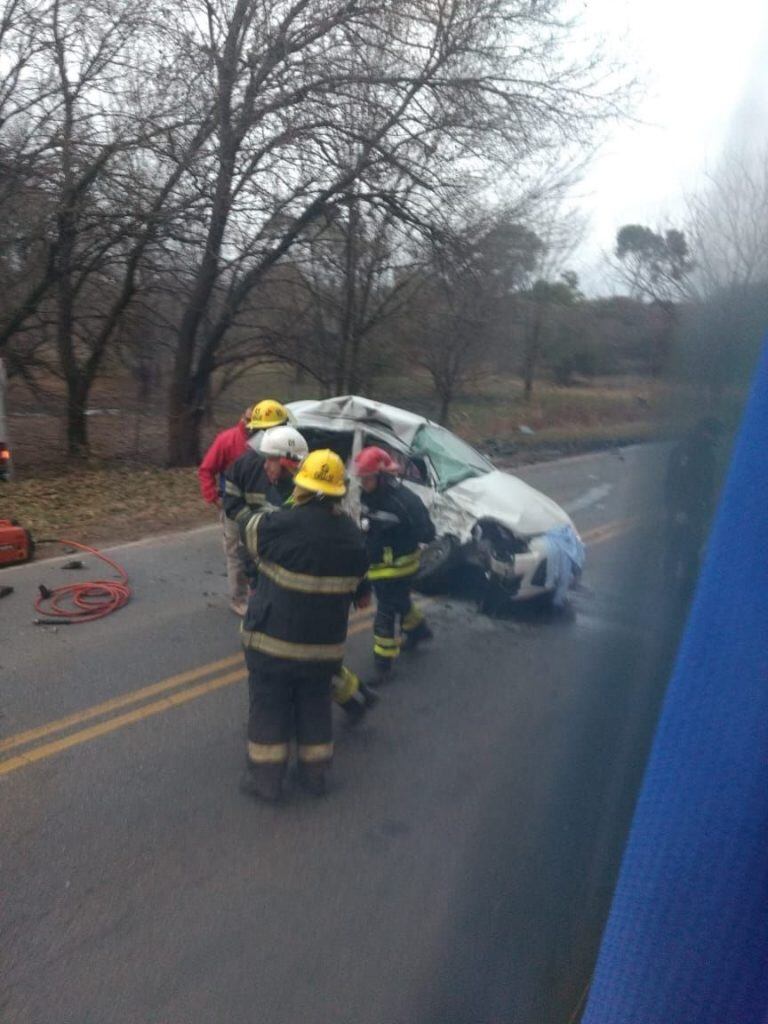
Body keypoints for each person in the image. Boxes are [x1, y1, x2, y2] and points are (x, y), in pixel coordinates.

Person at [237, 449, 371, 801]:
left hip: (272, 647)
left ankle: (266, 781)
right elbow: (362, 589)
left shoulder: (283, 524)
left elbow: (247, 531)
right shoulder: (354, 538)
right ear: (339, 493)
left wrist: (279, 505)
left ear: (302, 488)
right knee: (315, 708)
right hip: (323, 653)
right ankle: (314, 777)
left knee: (269, 707)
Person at [226, 426, 378, 724]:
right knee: (308, 657)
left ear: (288, 463)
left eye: (270, 460)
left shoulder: (304, 497)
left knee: (298, 657)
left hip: (297, 590)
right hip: (275, 582)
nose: (265, 467)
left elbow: (345, 550)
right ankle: (357, 697)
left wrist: (362, 588)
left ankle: (350, 701)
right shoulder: (286, 489)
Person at [198, 399, 290, 615]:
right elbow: (206, 470)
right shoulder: (229, 441)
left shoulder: (284, 449)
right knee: (237, 555)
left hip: (263, 511)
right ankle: (239, 599)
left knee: (263, 555)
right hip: (235, 509)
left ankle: (260, 594)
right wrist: (215, 499)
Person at [353, 446, 435, 681]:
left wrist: (398, 533)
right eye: (362, 478)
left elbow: (427, 532)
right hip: (379, 564)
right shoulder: (368, 495)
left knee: (385, 613)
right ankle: (419, 630)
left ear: (382, 476)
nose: (363, 482)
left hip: (399, 566)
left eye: (367, 478)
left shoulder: (404, 501)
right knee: (399, 601)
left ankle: (383, 665)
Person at [664, 416, 724, 592]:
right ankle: (671, 584)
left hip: (696, 509)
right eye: (714, 435)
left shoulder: (705, 452)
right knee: (677, 546)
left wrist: (708, 505)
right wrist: (677, 509)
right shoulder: (687, 452)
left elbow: (707, 484)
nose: (715, 439)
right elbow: (675, 483)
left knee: (691, 547)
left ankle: (687, 585)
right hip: (684, 509)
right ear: (706, 433)